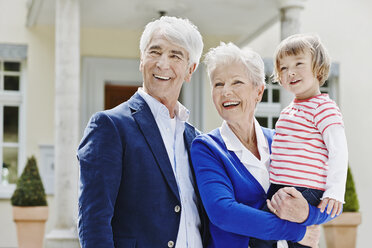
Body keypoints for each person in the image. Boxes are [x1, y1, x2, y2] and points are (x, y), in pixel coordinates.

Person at [77, 16, 209, 248]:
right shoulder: (110, 126)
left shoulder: (196, 139)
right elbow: (94, 221)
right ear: (141, 60)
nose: (162, 64)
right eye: (154, 52)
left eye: (175, 55)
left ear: (190, 70)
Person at [190, 42, 335, 248]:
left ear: (259, 92)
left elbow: (327, 196)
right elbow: (223, 212)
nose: (226, 92)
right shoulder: (208, 148)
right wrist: (297, 231)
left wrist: (307, 214)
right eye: (218, 84)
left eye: (237, 82)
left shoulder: (282, 140)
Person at [252, 34, 348, 248]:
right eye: (283, 68)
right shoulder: (288, 111)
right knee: (261, 238)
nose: (290, 72)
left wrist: (334, 192)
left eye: (298, 64)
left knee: (295, 242)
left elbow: (339, 151)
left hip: (305, 190)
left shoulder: (324, 107)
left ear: (318, 67)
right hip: (278, 187)